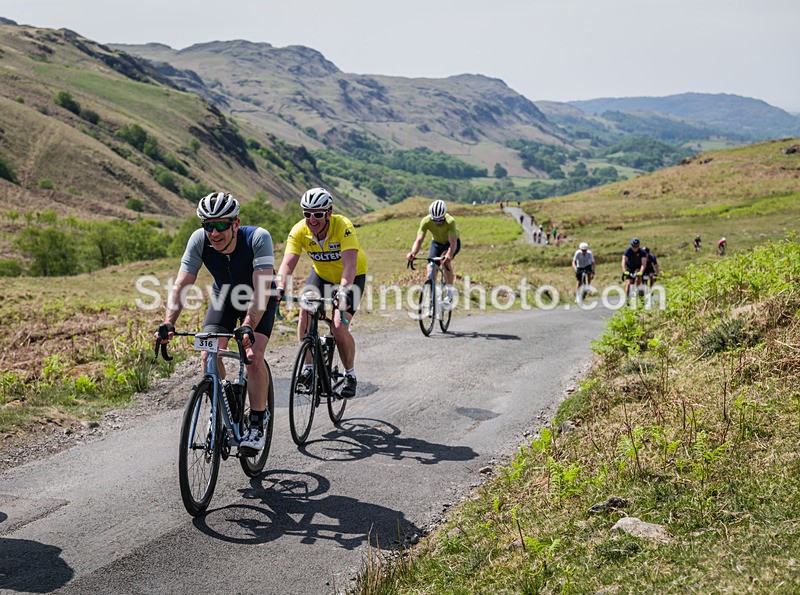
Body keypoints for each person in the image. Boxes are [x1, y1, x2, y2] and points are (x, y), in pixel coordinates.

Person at [156, 191, 277, 454]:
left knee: (253, 355)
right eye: (208, 225)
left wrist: (248, 325)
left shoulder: (258, 238)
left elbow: (261, 292)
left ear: (235, 223)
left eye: (221, 224)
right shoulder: (199, 240)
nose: (214, 232)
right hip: (224, 296)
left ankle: (257, 422)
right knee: (208, 354)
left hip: (260, 297)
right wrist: (168, 322)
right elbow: (181, 285)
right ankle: (220, 405)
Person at [276, 188, 368, 398]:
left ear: (329, 213)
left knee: (338, 326)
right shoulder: (300, 230)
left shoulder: (343, 226)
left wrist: (343, 291)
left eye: (318, 214)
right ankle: (308, 369)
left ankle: (350, 374)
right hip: (322, 275)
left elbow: (350, 266)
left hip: (351, 277)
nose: (312, 219)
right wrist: (279, 288)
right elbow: (287, 264)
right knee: (305, 311)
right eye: (307, 214)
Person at [406, 199, 461, 305]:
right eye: (435, 220)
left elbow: (453, 243)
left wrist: (449, 254)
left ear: (444, 216)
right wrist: (413, 253)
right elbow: (419, 240)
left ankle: (450, 295)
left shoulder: (450, 221)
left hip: (451, 244)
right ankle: (432, 298)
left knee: (445, 261)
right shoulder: (426, 221)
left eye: (440, 219)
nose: (438, 222)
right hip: (436, 243)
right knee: (430, 268)